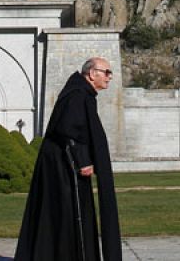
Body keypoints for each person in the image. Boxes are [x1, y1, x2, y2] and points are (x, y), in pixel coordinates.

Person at [14, 57, 121, 261]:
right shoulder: (77, 95)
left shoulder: (82, 93)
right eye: (106, 72)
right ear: (92, 74)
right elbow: (68, 129)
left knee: (66, 213)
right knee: (67, 213)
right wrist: (83, 160)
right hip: (64, 167)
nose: (110, 77)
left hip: (64, 164)